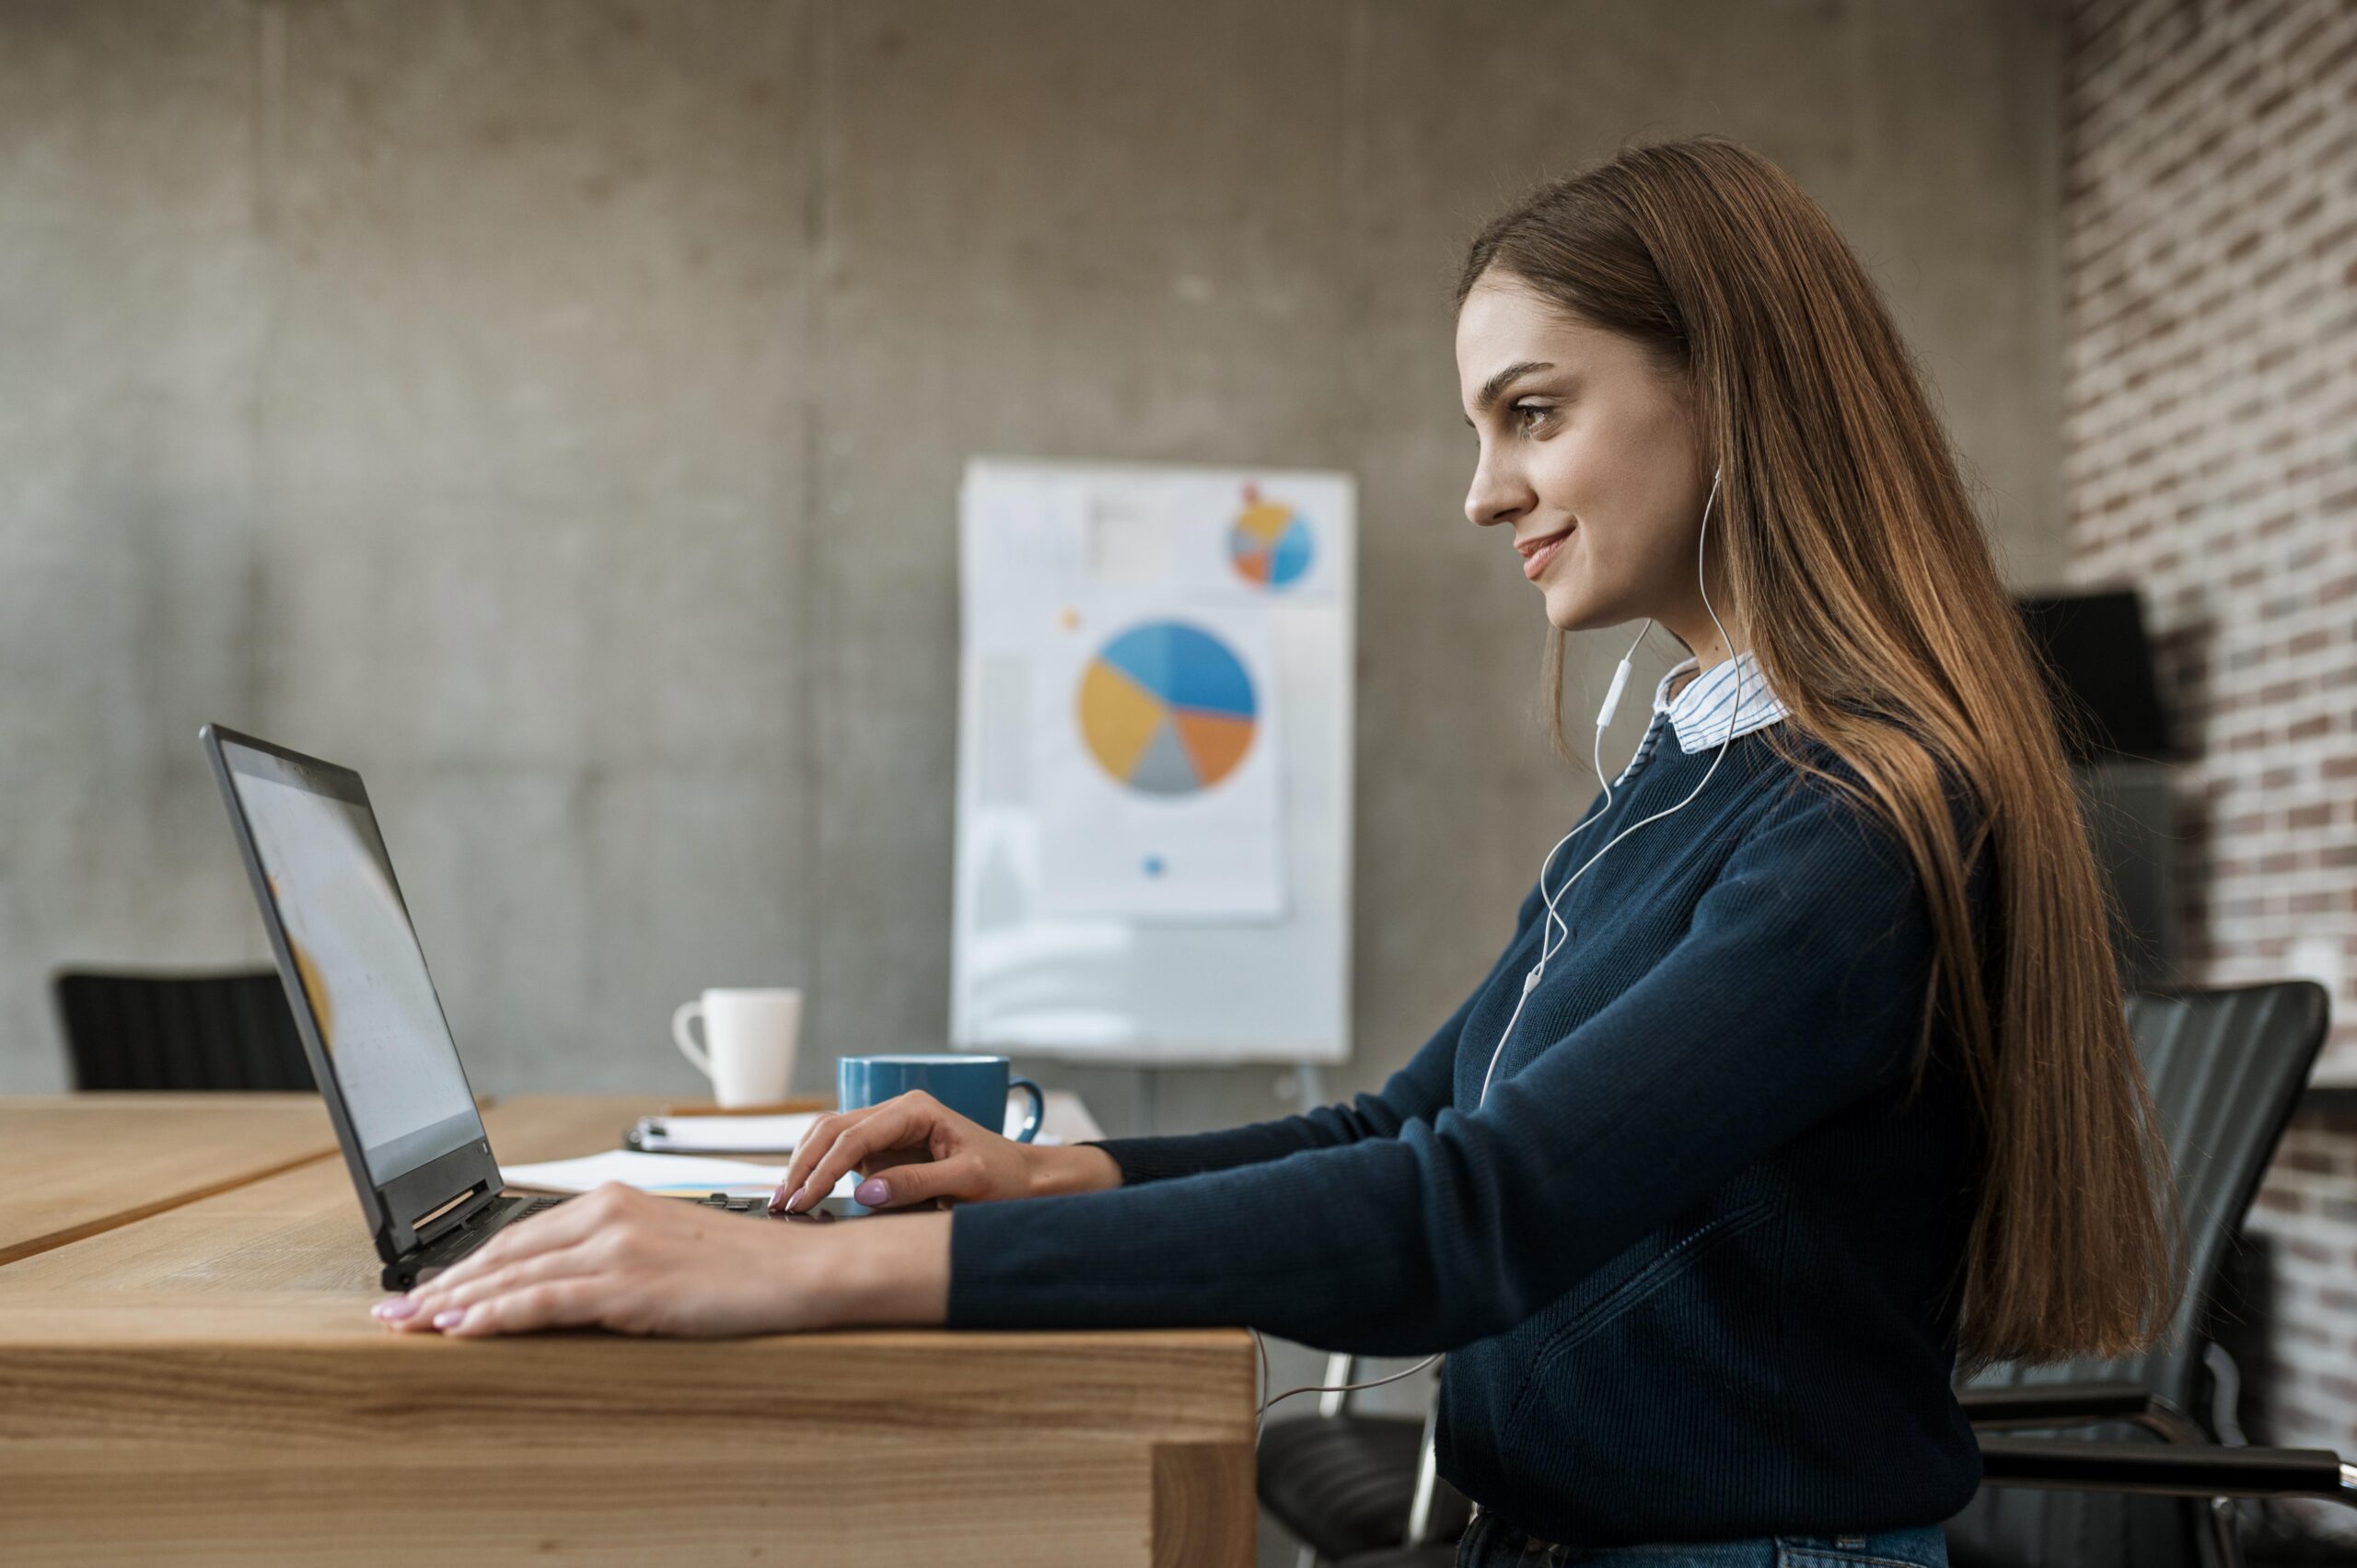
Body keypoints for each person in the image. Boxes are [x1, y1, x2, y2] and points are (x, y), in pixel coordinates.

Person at [377, 137, 2177, 1568]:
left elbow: (1476, 1222)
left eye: (1529, 411)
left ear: (1736, 393)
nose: (1479, 491)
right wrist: (1065, 1184)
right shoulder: (1689, 777)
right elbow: (1406, 1126)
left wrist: (805, 1272)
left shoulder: (1855, 818)